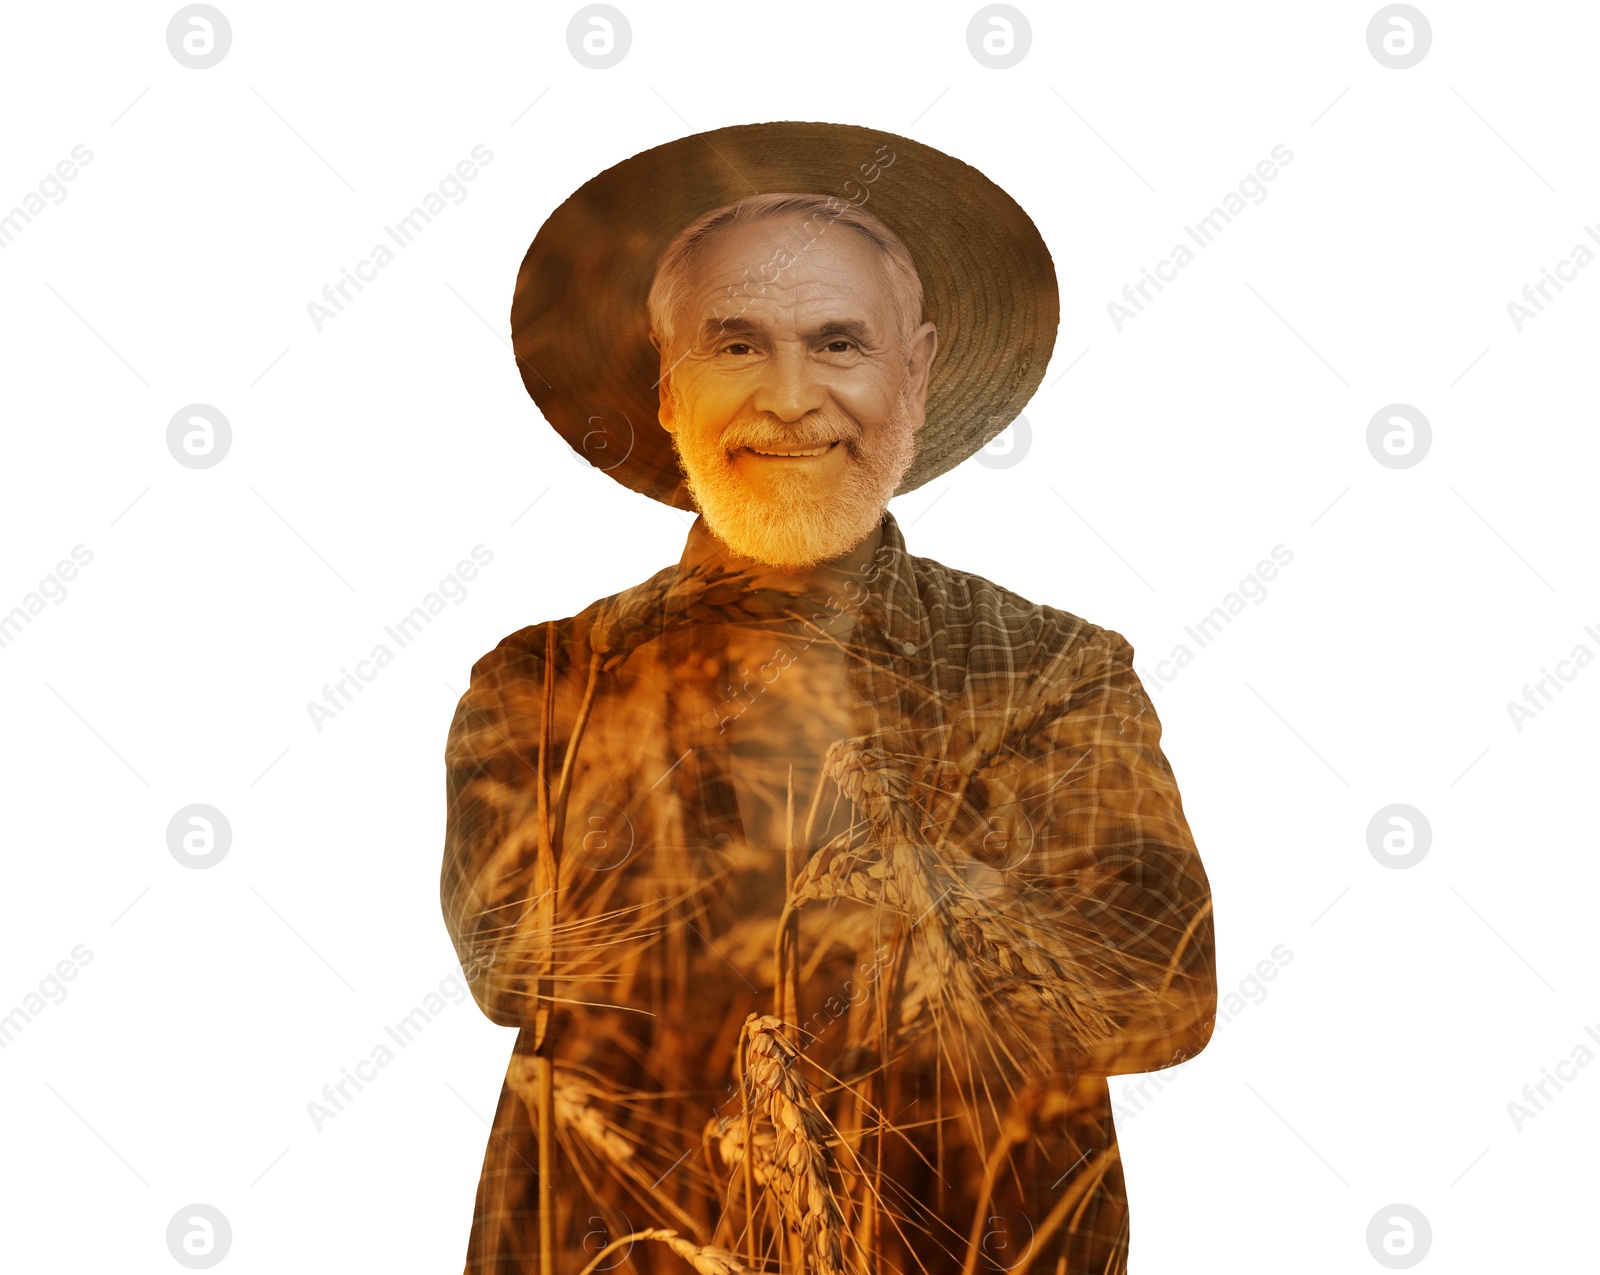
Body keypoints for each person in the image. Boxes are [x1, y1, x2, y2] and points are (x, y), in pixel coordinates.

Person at [442, 122, 1217, 1275]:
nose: (792, 398)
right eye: (737, 345)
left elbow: (1159, 992)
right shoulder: (540, 680)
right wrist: (935, 893)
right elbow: (514, 961)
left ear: (918, 367)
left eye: (839, 342)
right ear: (667, 390)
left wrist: (833, 878)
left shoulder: (1055, 670)